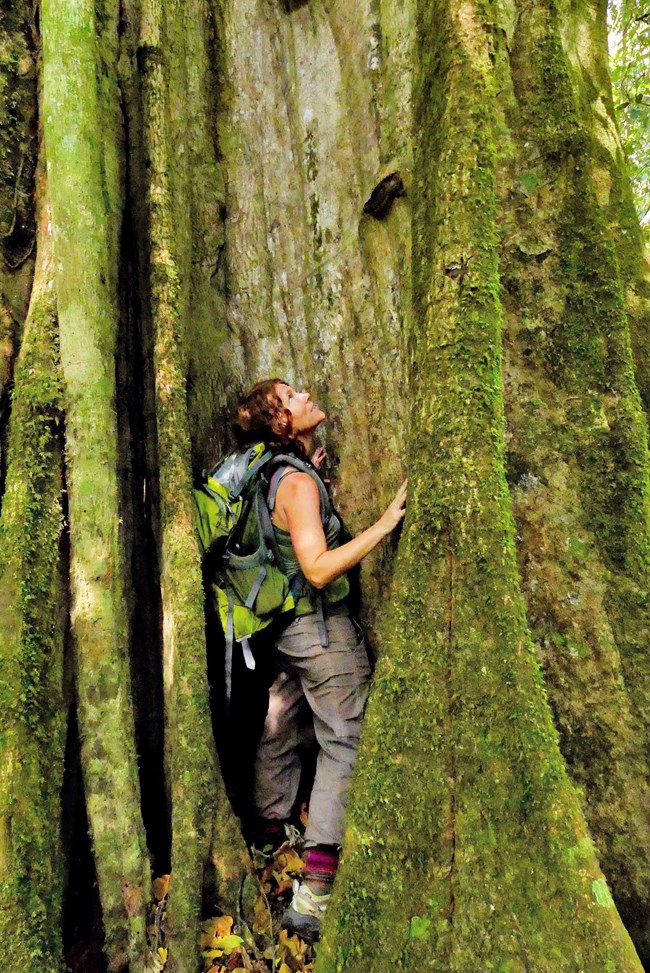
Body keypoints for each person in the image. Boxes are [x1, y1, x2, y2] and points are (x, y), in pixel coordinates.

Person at [232, 378, 407, 941]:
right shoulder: (297, 486)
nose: (306, 393)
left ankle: (268, 838)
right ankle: (315, 893)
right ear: (283, 421)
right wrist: (383, 525)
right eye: (293, 395)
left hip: (281, 629)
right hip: (319, 630)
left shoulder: (273, 470)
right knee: (344, 739)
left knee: (280, 726)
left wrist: (309, 470)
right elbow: (316, 568)